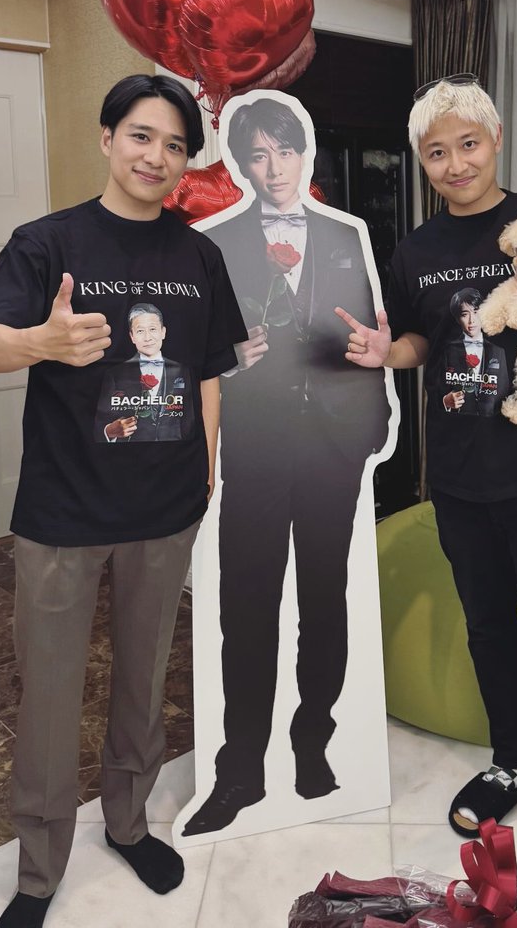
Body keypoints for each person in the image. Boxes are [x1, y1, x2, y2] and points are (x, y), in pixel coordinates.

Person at [0, 74, 246, 928]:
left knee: (143, 681)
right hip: (62, 514)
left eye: (174, 145)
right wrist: (40, 340)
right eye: (140, 135)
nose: (156, 156)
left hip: (164, 511)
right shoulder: (46, 243)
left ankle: (128, 824)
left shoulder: (199, 257)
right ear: (107, 138)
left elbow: (210, 373)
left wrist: (207, 471)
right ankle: (38, 870)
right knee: (51, 697)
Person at [336, 75, 517, 837]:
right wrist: (385, 352)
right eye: (437, 152)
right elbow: (419, 340)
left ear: (495, 140)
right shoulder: (416, 250)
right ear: (422, 161)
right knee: (488, 627)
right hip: (459, 480)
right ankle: (509, 764)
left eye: (468, 144)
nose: (455, 164)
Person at [182, 95, 390, 835]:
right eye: (258, 155)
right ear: (241, 164)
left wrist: (372, 425)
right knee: (247, 607)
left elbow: (370, 334)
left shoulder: (345, 234)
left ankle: (313, 744)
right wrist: (229, 357)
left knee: (325, 601)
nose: (273, 169)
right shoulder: (213, 242)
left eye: (285, 151)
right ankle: (240, 770)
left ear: (306, 154)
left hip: (334, 448)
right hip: (257, 446)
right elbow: (192, 348)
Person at [94, 302, 194, 443]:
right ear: (132, 336)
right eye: (140, 331)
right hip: (130, 454)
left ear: (163, 332)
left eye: (153, 329)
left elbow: (190, 420)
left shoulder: (182, 371)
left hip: (174, 453)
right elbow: (99, 423)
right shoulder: (115, 374)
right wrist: (109, 431)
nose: (148, 337)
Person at [439, 287, 510, 415]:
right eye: (465, 314)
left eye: (476, 312)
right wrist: (445, 401)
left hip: (492, 423)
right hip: (458, 421)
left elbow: (503, 391)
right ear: (457, 318)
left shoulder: (498, 352)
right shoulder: (448, 350)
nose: (471, 320)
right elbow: (436, 390)